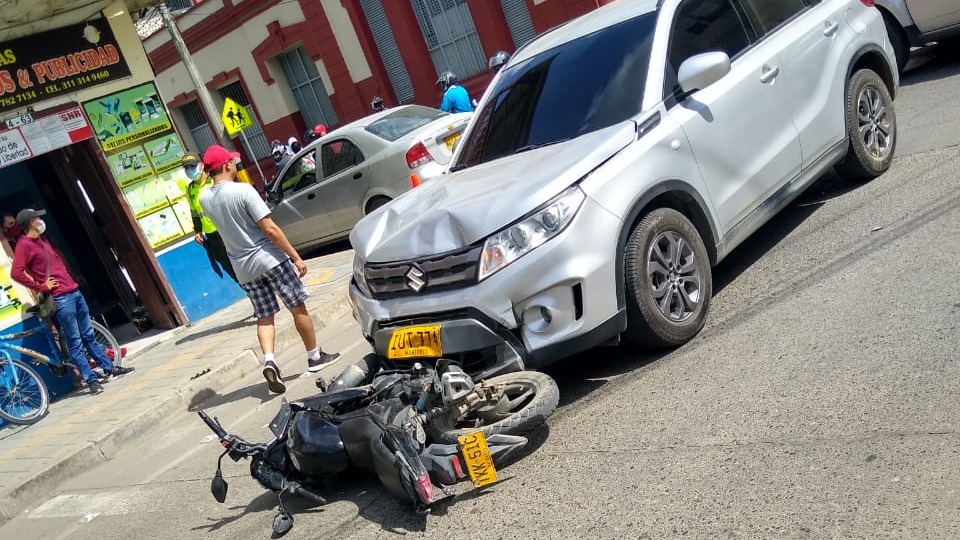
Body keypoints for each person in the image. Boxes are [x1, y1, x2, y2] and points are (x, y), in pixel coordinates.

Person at [198, 145, 340, 394]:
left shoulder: (204, 198)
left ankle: (270, 360)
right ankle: (315, 356)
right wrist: (295, 256)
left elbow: (208, 189)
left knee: (265, 316)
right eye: (232, 162)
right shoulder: (243, 191)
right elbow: (270, 229)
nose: (235, 164)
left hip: (243, 268)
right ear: (228, 165)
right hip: (270, 259)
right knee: (297, 306)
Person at [10, 209, 134, 395]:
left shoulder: (42, 240)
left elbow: (58, 263)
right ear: (31, 223)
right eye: (37, 218)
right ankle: (91, 379)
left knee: (88, 335)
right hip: (60, 298)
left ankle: (110, 368)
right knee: (75, 343)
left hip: (74, 292)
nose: (41, 220)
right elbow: (16, 272)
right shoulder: (23, 245)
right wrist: (41, 286)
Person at [181, 153, 239, 283]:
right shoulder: (190, 190)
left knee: (242, 266)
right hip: (212, 236)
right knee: (231, 270)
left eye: (192, 166)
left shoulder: (214, 180)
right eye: (186, 168)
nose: (189, 170)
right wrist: (197, 231)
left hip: (227, 230)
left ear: (201, 165)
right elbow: (195, 212)